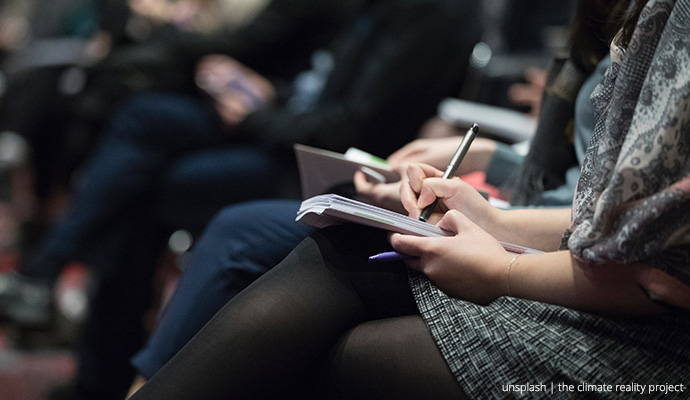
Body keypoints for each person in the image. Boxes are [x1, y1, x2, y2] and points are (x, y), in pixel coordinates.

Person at [128, 0, 690, 398]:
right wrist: (493, 216)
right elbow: (604, 216)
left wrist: (502, 268)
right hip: (570, 249)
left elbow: (654, 268)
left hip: (654, 353)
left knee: (314, 339)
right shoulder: (639, 18)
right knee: (325, 244)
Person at [1, 1, 482, 398]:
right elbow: (318, 85)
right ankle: (72, 316)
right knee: (141, 119)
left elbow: (347, 128)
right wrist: (266, 94)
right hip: (285, 127)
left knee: (155, 190)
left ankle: (111, 370)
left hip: (328, 168)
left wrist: (256, 112)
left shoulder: (433, 15)